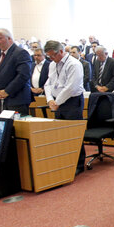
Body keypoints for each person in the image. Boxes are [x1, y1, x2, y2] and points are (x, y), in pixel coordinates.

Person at [43, 40, 86, 174]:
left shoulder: (74, 64)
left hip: (72, 102)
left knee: (74, 134)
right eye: (49, 56)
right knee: (61, 134)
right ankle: (66, 161)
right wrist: (50, 99)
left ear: (61, 51)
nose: (51, 58)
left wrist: (57, 102)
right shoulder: (52, 65)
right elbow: (48, 84)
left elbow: (71, 87)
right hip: (57, 102)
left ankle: (78, 164)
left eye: (53, 55)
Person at [0, 28, 32, 115]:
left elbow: (23, 75)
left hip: (16, 98)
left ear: (9, 38)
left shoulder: (21, 53)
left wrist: (7, 91)